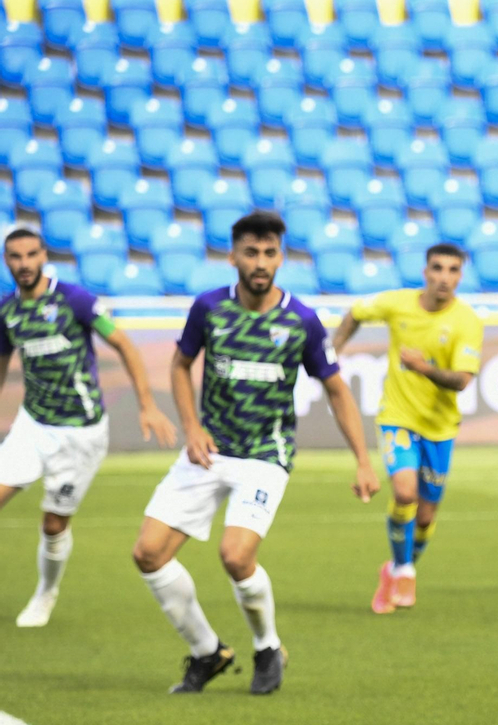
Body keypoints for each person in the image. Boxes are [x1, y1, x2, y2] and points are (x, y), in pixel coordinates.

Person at [131, 211, 379, 695]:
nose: (260, 262)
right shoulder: (209, 308)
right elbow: (181, 366)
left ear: (281, 258)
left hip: (266, 454)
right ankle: (207, 651)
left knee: (236, 555)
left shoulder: (301, 320)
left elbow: (336, 390)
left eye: (269, 253)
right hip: (209, 450)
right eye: (251, 252)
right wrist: (191, 428)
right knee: (148, 553)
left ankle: (267, 647)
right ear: (233, 257)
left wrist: (363, 460)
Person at [0, 227, 176, 626]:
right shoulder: (7, 310)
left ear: (44, 256)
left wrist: (147, 405)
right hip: (32, 424)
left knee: (53, 523)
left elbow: (124, 344)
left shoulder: (74, 299)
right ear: (6, 261)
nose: (24, 264)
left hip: (80, 433)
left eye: (31, 255)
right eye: (15, 256)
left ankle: (45, 593)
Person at [330, 243, 482, 613]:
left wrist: (423, 368)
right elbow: (355, 313)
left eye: (452, 270)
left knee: (426, 517)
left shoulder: (467, 321)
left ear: (460, 276)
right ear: (425, 272)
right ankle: (403, 570)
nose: (444, 277)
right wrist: (331, 353)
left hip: (440, 427)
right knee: (404, 492)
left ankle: (396, 567)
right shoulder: (398, 303)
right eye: (437, 268)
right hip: (397, 417)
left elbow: (462, 380)